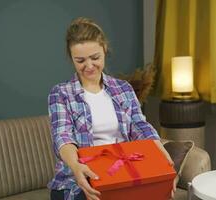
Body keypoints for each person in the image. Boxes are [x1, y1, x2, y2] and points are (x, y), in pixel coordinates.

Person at [47, 17, 177, 200]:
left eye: (95, 57)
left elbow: (139, 125)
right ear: (71, 58)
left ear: (105, 50)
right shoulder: (61, 93)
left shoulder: (123, 89)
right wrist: (76, 167)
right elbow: (63, 136)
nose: (89, 66)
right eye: (80, 60)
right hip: (75, 181)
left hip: (120, 177)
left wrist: (159, 153)